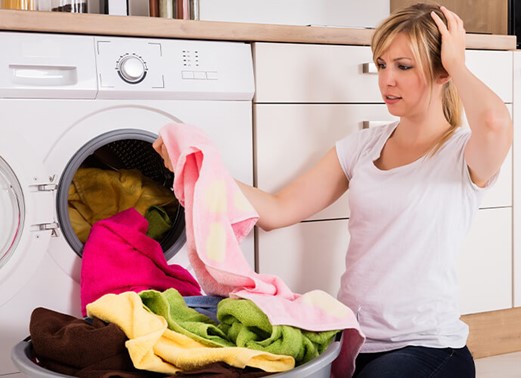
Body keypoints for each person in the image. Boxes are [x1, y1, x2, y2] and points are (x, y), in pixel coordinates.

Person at [153, 3, 513, 377]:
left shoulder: (462, 154)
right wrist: (201, 165)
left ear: (441, 72)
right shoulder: (362, 147)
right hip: (352, 340)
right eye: (382, 64)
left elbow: (494, 121)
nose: (386, 80)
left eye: (403, 66)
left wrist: (456, 62)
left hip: (428, 347)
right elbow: (278, 210)